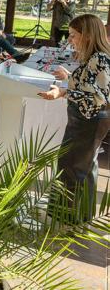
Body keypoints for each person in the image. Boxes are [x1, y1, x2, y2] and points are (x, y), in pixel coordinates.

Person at [37, 15, 110, 221]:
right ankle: (76, 216)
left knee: (74, 167)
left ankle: (68, 217)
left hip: (90, 119)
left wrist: (62, 93)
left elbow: (100, 97)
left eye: (73, 35)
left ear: (87, 35)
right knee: (82, 167)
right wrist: (70, 78)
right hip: (87, 118)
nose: (70, 40)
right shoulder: (96, 55)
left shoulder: (100, 58)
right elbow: (89, 84)